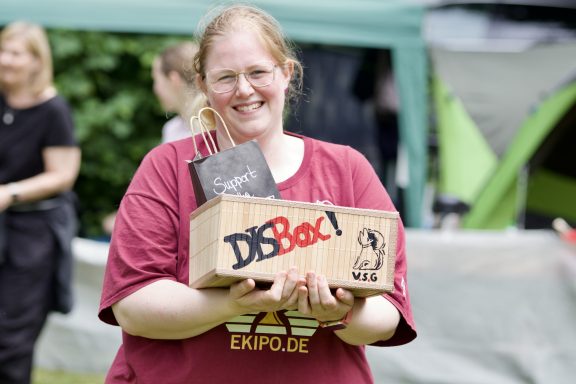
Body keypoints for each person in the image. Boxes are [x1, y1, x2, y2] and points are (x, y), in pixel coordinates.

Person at [99, 4, 416, 383]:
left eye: (258, 72)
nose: (244, 89)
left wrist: (337, 313)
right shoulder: (167, 167)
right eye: (226, 77)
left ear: (286, 73)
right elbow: (133, 306)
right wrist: (231, 303)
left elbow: (388, 314)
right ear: (202, 84)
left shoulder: (347, 170)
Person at [0, 21, 81, 384]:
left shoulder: (53, 110)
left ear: (36, 60)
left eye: (15, 53)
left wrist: (10, 192)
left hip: (34, 233)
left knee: (11, 336)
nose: (5, 60)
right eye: (2, 51)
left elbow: (63, 174)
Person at [151, 41, 205, 143]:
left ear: (173, 79)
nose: (155, 89)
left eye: (156, 80)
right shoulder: (171, 129)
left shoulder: (218, 128)